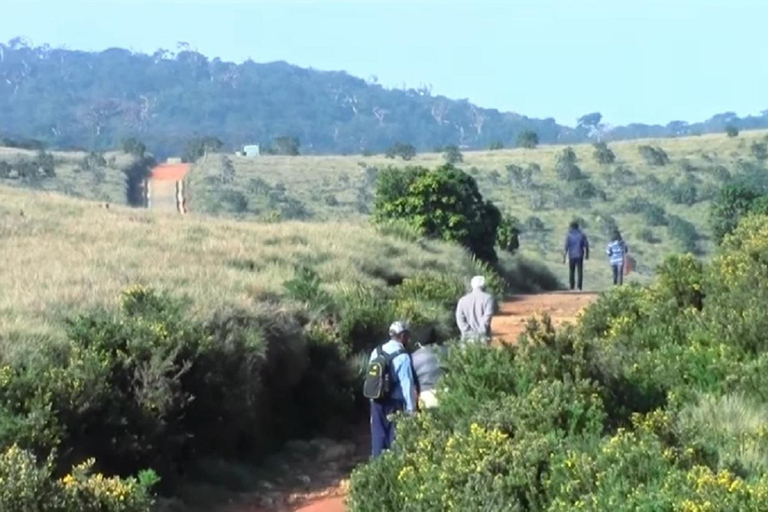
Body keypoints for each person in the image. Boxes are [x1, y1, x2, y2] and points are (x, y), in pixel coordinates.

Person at [368, 321, 417, 458]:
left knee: (378, 438)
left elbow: (371, 379)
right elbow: (407, 385)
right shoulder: (403, 356)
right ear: (402, 336)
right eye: (407, 335)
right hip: (395, 403)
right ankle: (392, 472)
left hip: (376, 401)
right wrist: (411, 410)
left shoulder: (376, 351)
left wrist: (372, 402)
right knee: (395, 440)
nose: (408, 339)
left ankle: (376, 472)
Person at [455, 275, 495, 343]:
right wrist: (480, 332)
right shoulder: (488, 298)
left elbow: (460, 318)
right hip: (483, 337)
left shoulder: (462, 300)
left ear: (472, 285)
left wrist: (467, 331)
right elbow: (487, 317)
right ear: (483, 285)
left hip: (467, 338)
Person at [411, 338, 446, 409]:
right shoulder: (445, 351)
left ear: (419, 344)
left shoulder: (413, 357)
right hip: (445, 392)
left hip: (425, 396)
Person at [563, 221, 590, 291]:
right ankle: (579, 287)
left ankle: (572, 286)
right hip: (580, 254)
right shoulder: (582, 235)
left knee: (571, 271)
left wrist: (564, 257)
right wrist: (587, 254)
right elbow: (586, 245)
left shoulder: (569, 235)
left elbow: (566, 246)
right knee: (580, 271)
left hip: (571, 255)